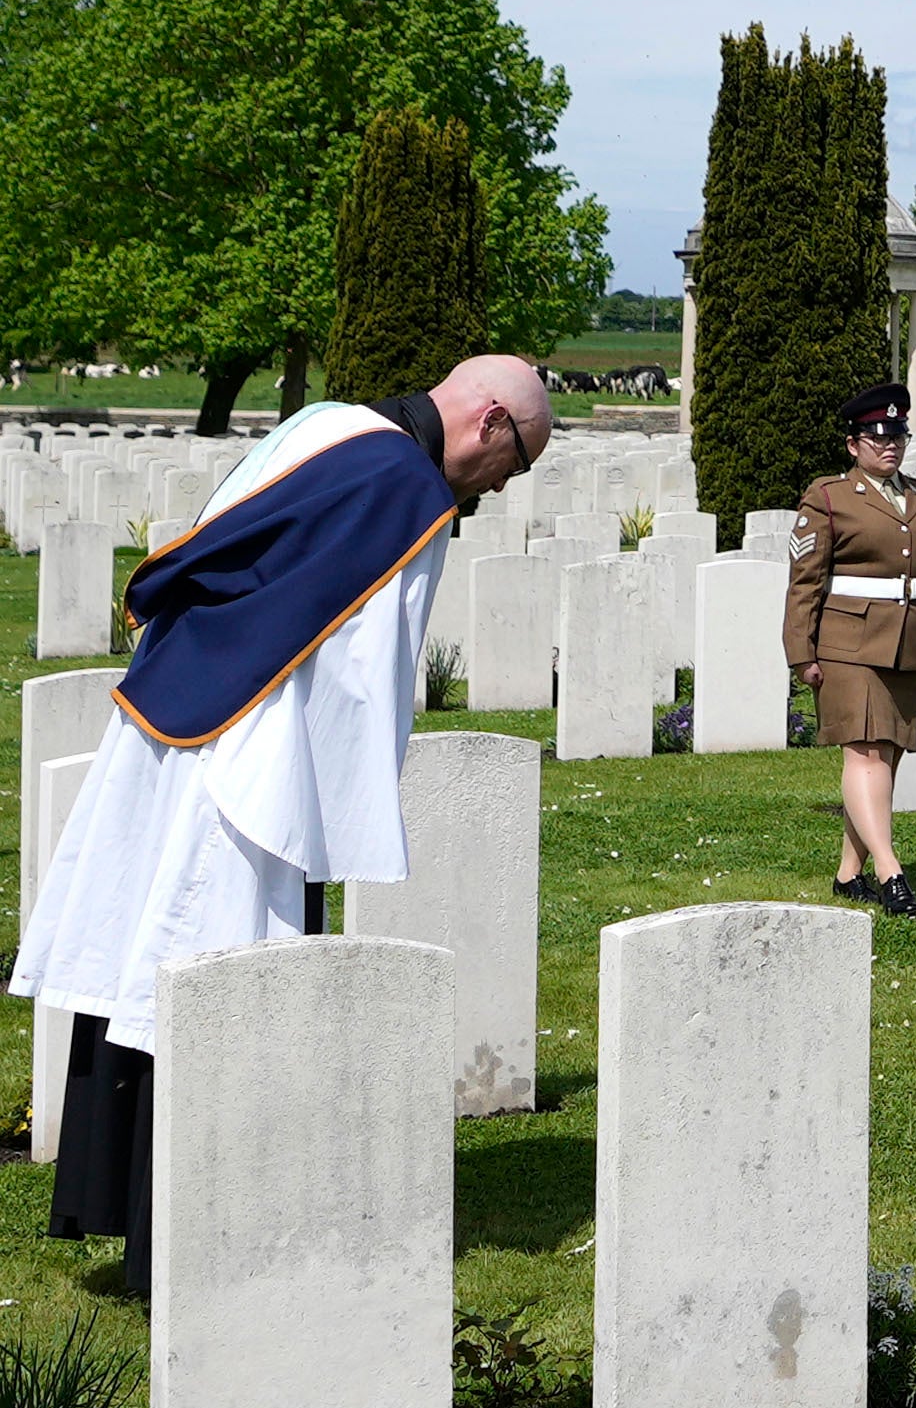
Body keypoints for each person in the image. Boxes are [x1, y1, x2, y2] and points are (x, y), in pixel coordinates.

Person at [15, 354, 549, 1247]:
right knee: (215, 962)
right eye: (516, 463)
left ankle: (111, 1198)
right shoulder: (405, 492)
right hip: (252, 759)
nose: (502, 488)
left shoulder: (328, 423)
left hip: (175, 711)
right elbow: (363, 682)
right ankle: (194, 1234)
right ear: (491, 422)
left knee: (144, 953)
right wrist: (343, 816)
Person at [784, 381, 916, 910]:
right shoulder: (829, 498)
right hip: (848, 646)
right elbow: (805, 579)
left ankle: (848, 871)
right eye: (876, 437)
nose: (889, 445)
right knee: (866, 754)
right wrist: (801, 651)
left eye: (897, 435)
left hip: (909, 645)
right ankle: (890, 871)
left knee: (890, 758)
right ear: (853, 445)